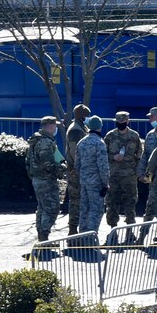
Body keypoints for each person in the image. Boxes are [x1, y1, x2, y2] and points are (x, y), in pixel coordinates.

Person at [25, 115, 66, 243]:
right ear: (51, 127)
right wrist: (62, 171)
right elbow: (48, 163)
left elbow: (27, 161)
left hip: (38, 179)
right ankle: (44, 237)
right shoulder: (45, 142)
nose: (55, 129)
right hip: (46, 180)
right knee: (52, 208)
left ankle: (42, 238)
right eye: (54, 126)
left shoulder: (37, 140)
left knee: (42, 208)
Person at [103, 110, 143, 232]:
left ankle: (130, 232)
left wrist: (137, 172)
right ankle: (112, 230)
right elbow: (103, 154)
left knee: (130, 204)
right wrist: (113, 157)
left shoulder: (134, 136)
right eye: (118, 122)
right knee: (112, 204)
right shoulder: (110, 136)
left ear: (127, 121)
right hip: (113, 176)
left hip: (129, 177)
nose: (121, 124)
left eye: (123, 122)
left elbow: (139, 155)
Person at [75, 114, 110, 245]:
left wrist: (83, 177)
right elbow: (103, 166)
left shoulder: (81, 142)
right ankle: (90, 239)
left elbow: (77, 164)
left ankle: (82, 236)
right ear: (100, 127)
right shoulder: (99, 143)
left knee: (84, 208)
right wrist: (105, 183)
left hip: (84, 181)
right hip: (96, 183)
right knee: (96, 210)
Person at [62, 101, 92, 235]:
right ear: (83, 116)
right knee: (76, 201)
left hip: (78, 170)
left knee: (80, 200)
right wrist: (79, 168)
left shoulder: (80, 127)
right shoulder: (75, 129)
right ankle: (73, 230)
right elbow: (74, 151)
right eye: (88, 115)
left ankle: (77, 229)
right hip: (76, 171)